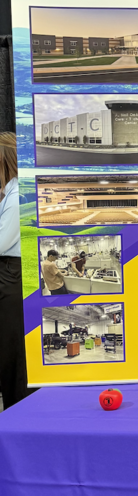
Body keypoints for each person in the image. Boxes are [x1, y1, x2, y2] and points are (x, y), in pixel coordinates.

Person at [0, 133, 30, 408]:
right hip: (12, 274)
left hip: (12, 275)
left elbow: (2, 240)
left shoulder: (16, 193)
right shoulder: (13, 191)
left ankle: (16, 410)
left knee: (13, 354)